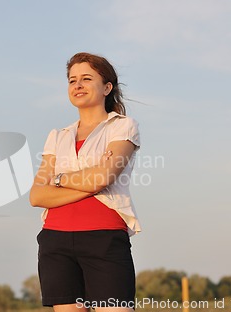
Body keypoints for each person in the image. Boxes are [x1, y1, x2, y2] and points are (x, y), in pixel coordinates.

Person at [29, 52, 142, 312]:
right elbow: (36, 196)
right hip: (54, 241)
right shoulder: (58, 136)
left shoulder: (122, 127)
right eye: (72, 80)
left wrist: (57, 181)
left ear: (107, 87)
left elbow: (103, 177)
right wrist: (90, 181)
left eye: (86, 78)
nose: (77, 85)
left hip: (104, 238)